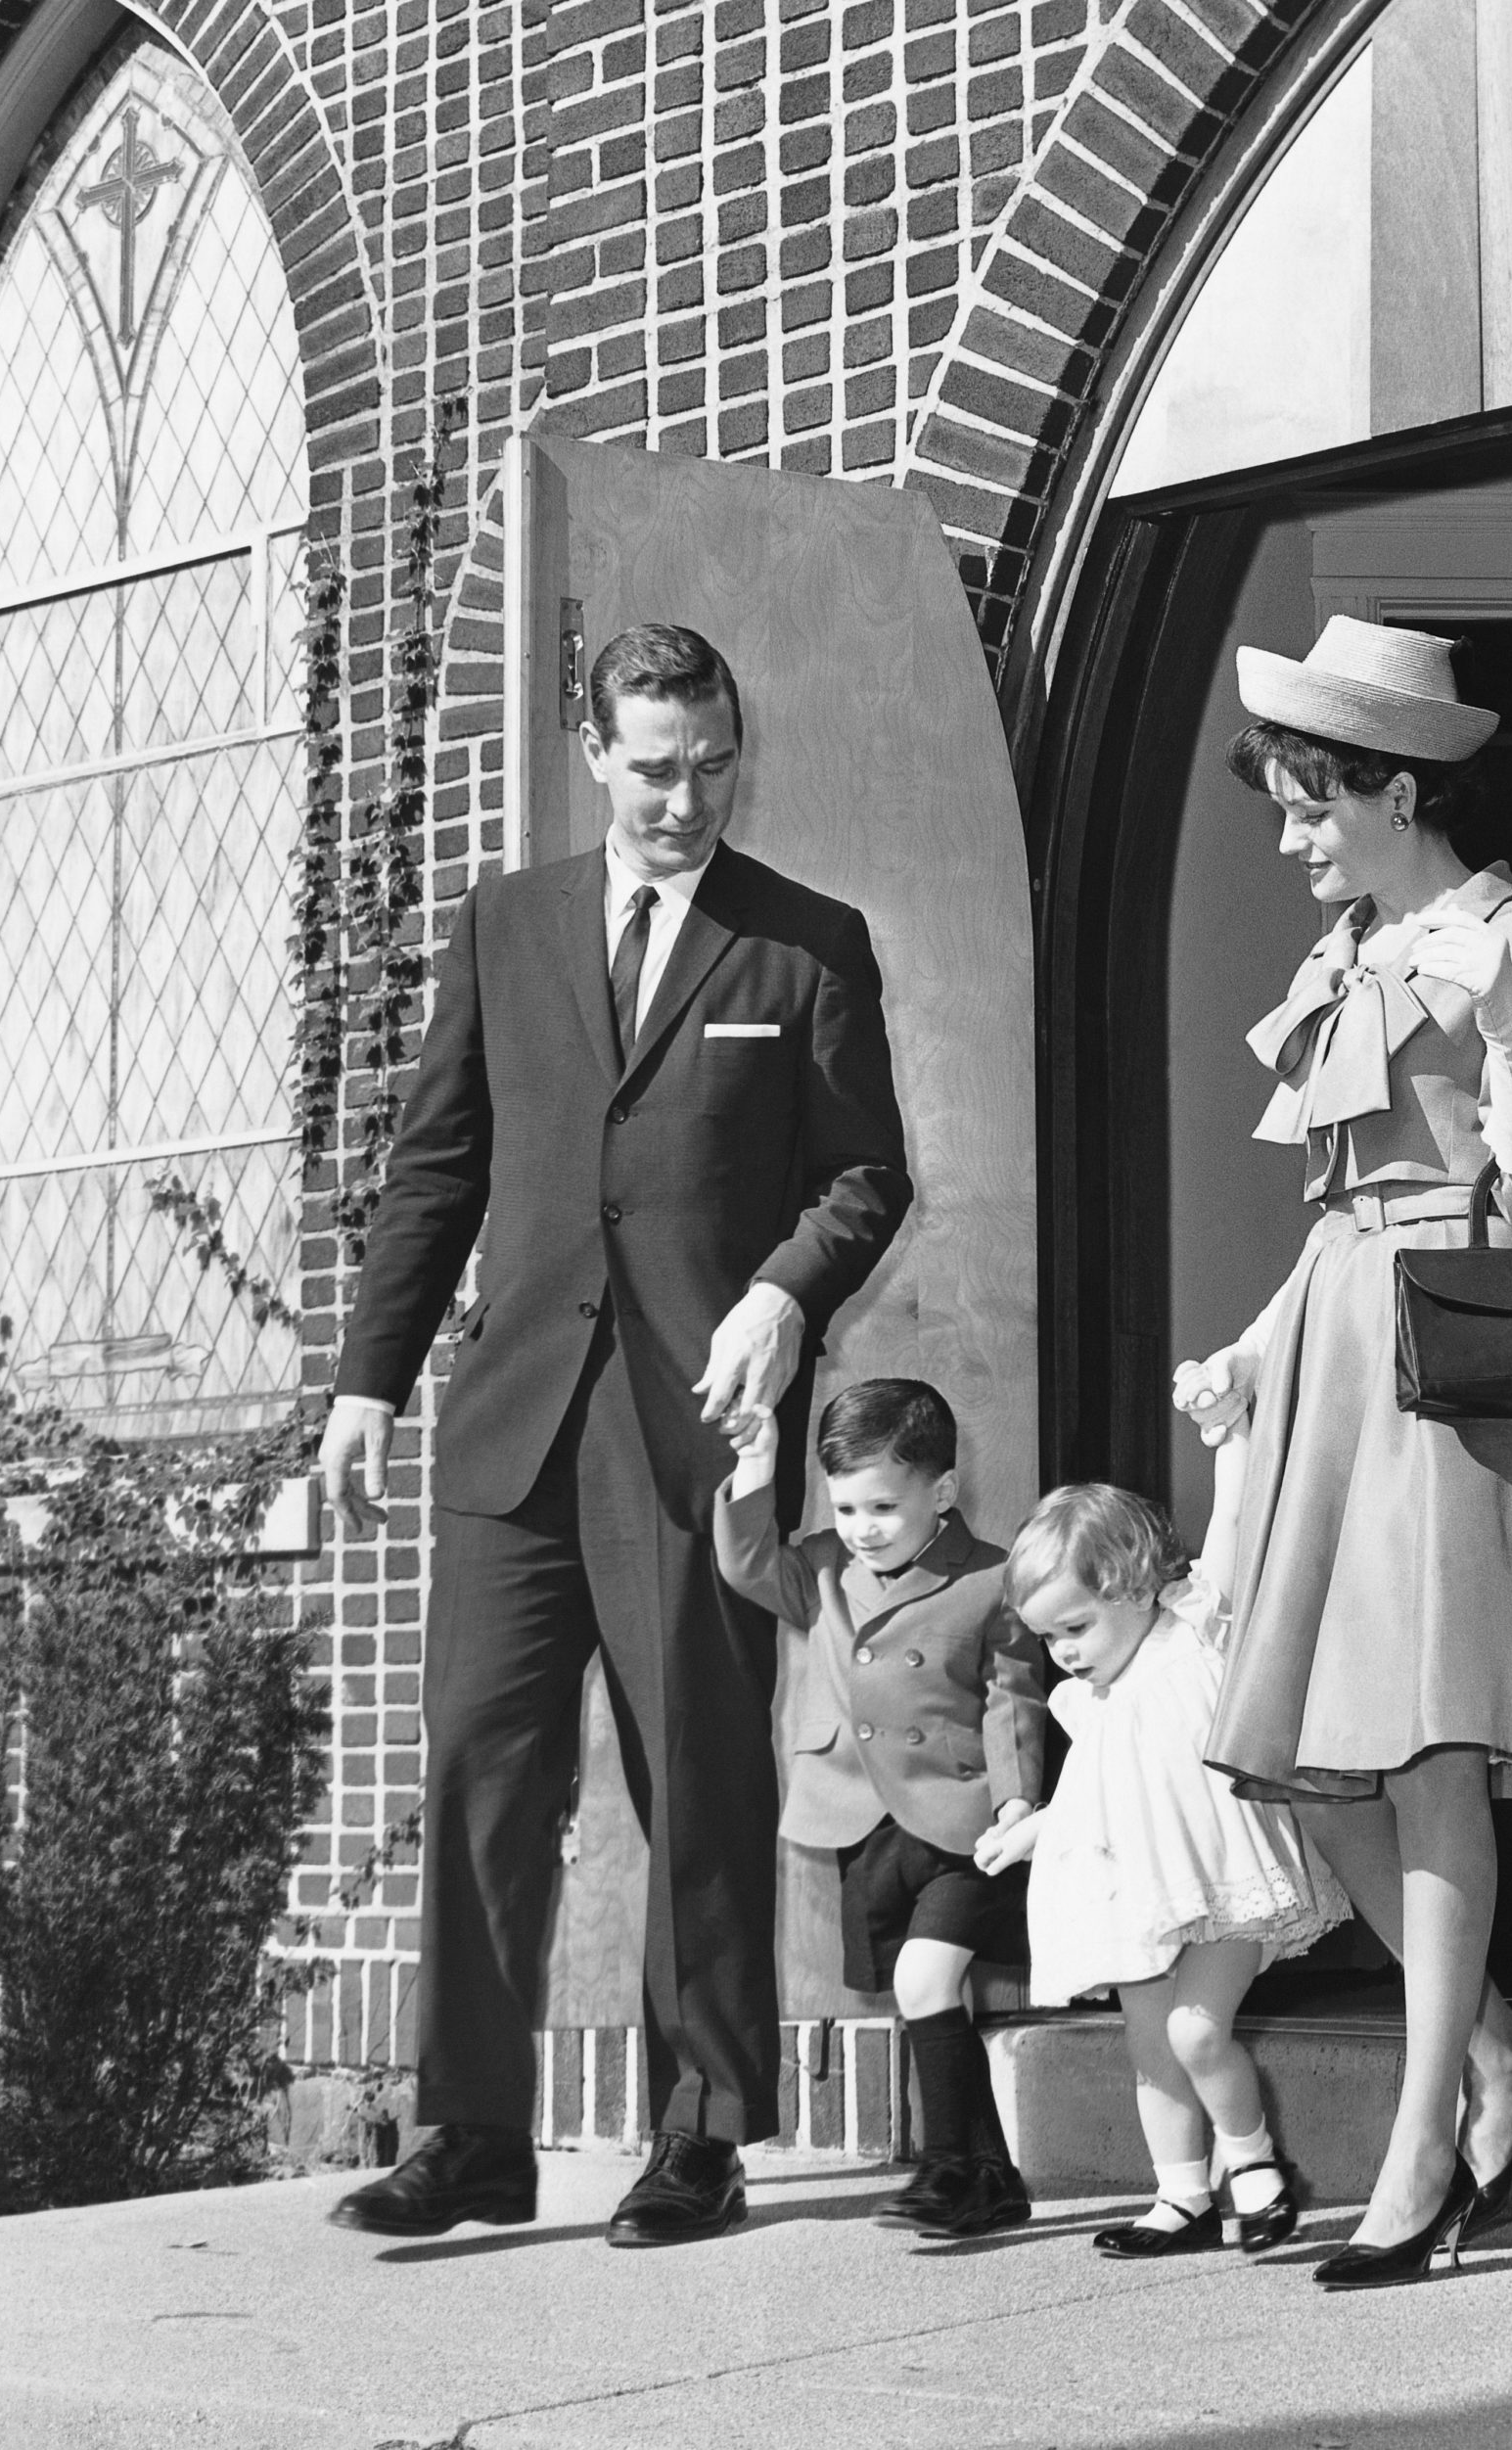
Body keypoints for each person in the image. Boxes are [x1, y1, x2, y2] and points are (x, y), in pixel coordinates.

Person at [323, 624, 912, 2244]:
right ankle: (469, 2134)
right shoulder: (506, 924)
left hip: (693, 1429)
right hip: (514, 1423)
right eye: (654, 766)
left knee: (698, 1780)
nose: (684, 797)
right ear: (594, 750)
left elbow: (864, 1178)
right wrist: (367, 1380)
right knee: (477, 1770)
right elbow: (439, 1167)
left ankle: (703, 2130)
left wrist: (789, 1292)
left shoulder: (806, 944)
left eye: (712, 763)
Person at [1173, 618, 1512, 2288]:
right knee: (1288, 1756)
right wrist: (1252, 1350)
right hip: (1331, 1364)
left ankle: (1420, 2155)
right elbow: (1335, 1210)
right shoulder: (1335, 959)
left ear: (1397, 788)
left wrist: (1495, 1035)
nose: (1289, 836)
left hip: (1452, 1374)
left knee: (1422, 1758)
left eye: (1307, 803)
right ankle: (1494, 2058)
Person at [977, 1429, 1350, 2260]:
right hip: (1136, 1897)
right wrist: (1030, 1830)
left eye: (1074, 1627)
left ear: (1134, 1586)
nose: (1063, 1654)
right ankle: (1181, 2196)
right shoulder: (1094, 1701)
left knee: (1195, 2032)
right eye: (1047, 1639)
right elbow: (1092, 1796)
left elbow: (1234, 1520)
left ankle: (1253, 2165)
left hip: (1221, 1890)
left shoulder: (1191, 1639)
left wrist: (1233, 1430)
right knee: (1152, 2050)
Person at [715, 1377, 1047, 2239]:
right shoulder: (822, 1566)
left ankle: (943, 2171)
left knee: (925, 1979)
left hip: (963, 1819)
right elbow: (747, 1563)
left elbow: (1013, 1700)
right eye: (848, 1506)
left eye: (884, 1508)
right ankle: (992, 2175)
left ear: (941, 1492)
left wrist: (1017, 1803)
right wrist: (755, 1462)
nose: (863, 1528)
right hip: (859, 1820)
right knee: (927, 1998)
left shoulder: (991, 1578)